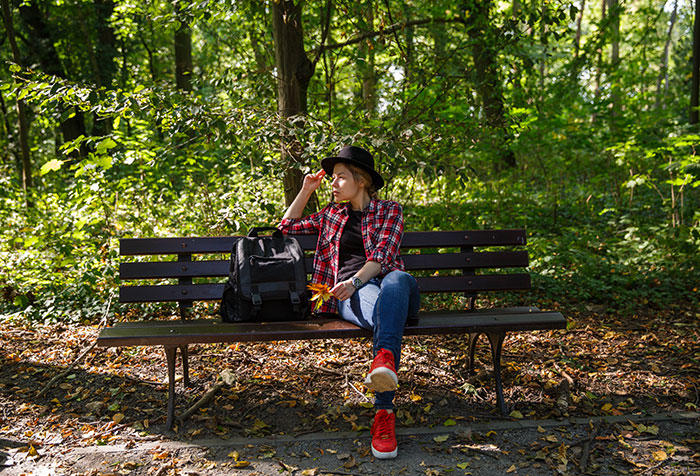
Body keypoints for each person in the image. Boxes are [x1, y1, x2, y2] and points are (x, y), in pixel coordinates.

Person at [278, 145, 420, 459]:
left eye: (341, 177)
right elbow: (284, 229)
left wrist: (354, 281)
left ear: (362, 181)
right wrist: (305, 191)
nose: (333, 183)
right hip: (355, 297)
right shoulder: (331, 214)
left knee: (396, 279)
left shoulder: (390, 211)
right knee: (380, 303)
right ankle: (384, 407)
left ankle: (384, 363)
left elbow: (382, 259)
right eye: (332, 178)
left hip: (389, 288)